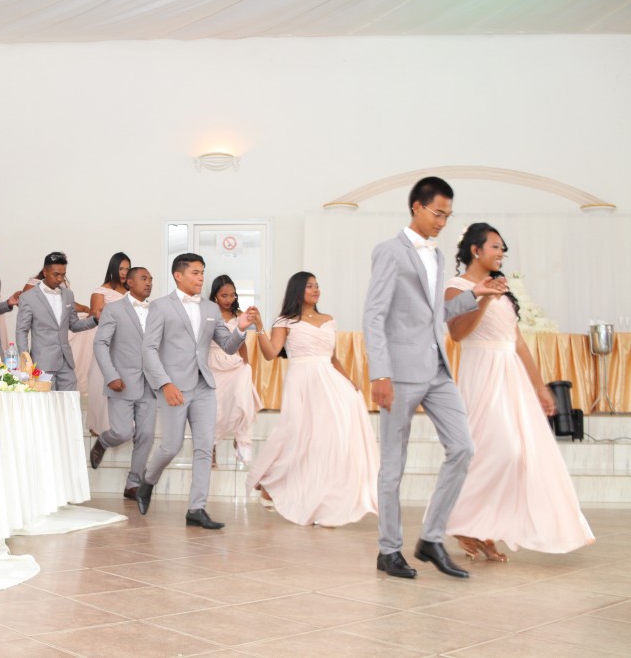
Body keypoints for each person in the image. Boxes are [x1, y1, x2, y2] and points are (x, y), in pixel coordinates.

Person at [363, 176, 506, 580]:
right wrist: (381, 373)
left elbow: (434, 313)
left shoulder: (439, 257)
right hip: (400, 372)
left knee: (463, 448)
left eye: (448, 215)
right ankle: (388, 550)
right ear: (417, 207)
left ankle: (431, 539)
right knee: (393, 464)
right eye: (438, 213)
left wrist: (478, 294)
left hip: (438, 368)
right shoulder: (389, 251)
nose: (443, 221)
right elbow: (373, 314)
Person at [445, 223, 594, 559]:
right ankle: (465, 522)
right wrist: (483, 298)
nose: (501, 253)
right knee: (501, 450)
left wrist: (539, 386)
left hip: (510, 372)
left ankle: (481, 529)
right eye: (496, 247)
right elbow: (458, 334)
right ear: (475, 250)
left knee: (524, 454)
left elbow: (517, 340)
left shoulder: (503, 289)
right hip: (481, 371)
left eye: (503, 249)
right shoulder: (456, 288)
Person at [247, 272, 378, 526]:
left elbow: (333, 357)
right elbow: (270, 353)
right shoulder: (285, 321)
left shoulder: (329, 319)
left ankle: (324, 501)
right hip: (301, 380)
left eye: (317, 285)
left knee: (329, 438)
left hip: (329, 380)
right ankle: (269, 483)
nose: (316, 289)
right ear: (297, 290)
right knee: (295, 433)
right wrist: (260, 324)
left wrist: (349, 382)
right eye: (310, 286)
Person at [136, 253, 256, 530]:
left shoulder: (211, 310)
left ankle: (196, 508)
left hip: (204, 385)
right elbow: (149, 349)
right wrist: (165, 384)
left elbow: (227, 345)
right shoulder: (160, 307)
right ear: (178, 275)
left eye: (203, 272)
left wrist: (240, 328)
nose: (201, 278)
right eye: (195, 273)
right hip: (174, 387)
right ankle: (148, 481)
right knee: (171, 446)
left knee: (204, 447)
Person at [89, 267, 157, 500]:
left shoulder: (157, 310)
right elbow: (100, 344)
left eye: (150, 279)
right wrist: (111, 375)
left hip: (151, 382)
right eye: (143, 278)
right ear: (129, 282)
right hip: (122, 381)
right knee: (122, 431)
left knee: (146, 434)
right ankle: (104, 440)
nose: (148, 283)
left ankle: (133, 484)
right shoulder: (114, 310)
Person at [16, 252, 98, 391]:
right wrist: (26, 362)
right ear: (45, 271)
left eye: (63, 274)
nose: (60, 279)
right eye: (56, 274)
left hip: (66, 362)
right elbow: (21, 331)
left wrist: (95, 320)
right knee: (47, 407)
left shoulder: (68, 295)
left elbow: (74, 325)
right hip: (42, 363)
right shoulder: (28, 297)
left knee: (69, 404)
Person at [207, 275, 261, 465]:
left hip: (233, 362)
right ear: (215, 296)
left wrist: (245, 361)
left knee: (241, 397)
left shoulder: (239, 315)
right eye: (224, 295)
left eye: (232, 295)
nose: (229, 299)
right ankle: (211, 447)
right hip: (213, 363)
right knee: (216, 408)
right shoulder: (208, 313)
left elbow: (241, 343)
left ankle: (241, 438)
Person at [86, 252, 131, 436]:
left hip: (128, 345)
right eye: (121, 268)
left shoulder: (131, 292)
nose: (124, 272)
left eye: (128, 269)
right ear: (113, 268)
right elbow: (95, 315)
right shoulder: (100, 291)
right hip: (107, 342)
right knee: (100, 383)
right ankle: (101, 427)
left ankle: (124, 425)